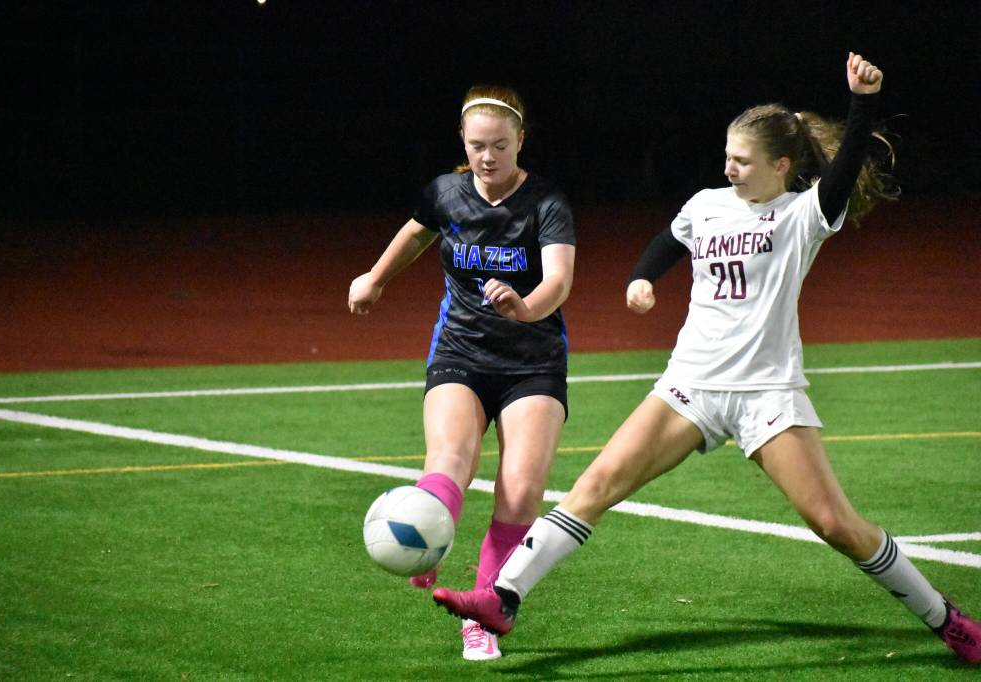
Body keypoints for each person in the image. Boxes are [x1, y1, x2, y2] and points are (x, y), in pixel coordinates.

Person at [432, 53, 981, 665]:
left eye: (741, 160)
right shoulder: (706, 204)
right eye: (726, 155)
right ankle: (503, 597)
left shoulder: (803, 214)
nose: (728, 167)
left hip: (766, 394)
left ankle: (947, 619)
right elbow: (668, 242)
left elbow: (846, 167)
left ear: (781, 166)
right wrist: (643, 279)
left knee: (835, 524)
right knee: (595, 486)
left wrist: (862, 103)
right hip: (689, 385)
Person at [349, 85, 576, 660]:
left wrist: (524, 307)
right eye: (477, 146)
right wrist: (375, 278)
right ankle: (430, 536)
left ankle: (481, 614)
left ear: (520, 141)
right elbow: (417, 231)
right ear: (463, 141)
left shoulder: (546, 202)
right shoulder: (445, 192)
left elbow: (558, 280)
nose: (488, 157)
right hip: (461, 352)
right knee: (450, 458)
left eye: (500, 145)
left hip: (533, 361)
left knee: (520, 491)